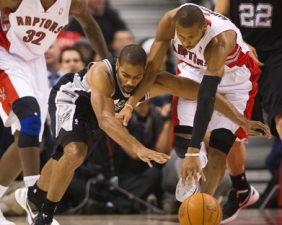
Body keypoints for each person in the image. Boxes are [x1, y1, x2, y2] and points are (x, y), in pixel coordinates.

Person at [14, 42, 271, 224]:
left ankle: (34, 195)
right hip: (71, 98)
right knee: (75, 152)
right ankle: (44, 216)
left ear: (146, 73)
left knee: (66, 157)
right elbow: (105, 119)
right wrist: (139, 148)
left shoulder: (157, 80)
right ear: (118, 66)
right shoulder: (102, 74)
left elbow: (207, 94)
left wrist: (242, 120)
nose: (129, 82)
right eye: (125, 75)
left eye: (137, 78)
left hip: (102, 112)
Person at [118, 2, 271, 210]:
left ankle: (201, 206)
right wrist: (130, 105)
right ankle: (195, 162)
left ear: (203, 28)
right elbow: (152, 69)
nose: (186, 42)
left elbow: (207, 98)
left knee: (219, 148)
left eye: (191, 37)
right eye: (181, 36)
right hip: (194, 69)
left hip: (234, 79)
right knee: (183, 144)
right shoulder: (169, 21)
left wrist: (193, 152)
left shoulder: (218, 42)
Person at [0, 0, 111, 224]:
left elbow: (89, 24)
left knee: (27, 137)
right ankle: (35, 199)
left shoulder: (73, 3)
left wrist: (108, 59)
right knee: (30, 121)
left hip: (35, 64)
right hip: (4, 58)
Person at [214, 0, 282, 223]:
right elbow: (217, 19)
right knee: (230, 127)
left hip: (277, 55)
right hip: (239, 56)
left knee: (280, 115)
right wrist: (239, 43)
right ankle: (241, 189)